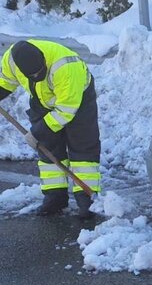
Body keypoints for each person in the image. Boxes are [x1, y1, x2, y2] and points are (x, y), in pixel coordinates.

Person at [0, 40, 101, 218]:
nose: (39, 74)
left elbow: (66, 111)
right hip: (42, 99)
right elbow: (5, 82)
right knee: (48, 148)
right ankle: (55, 197)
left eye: (41, 70)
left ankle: (87, 200)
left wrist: (36, 132)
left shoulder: (67, 67)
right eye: (34, 74)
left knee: (82, 149)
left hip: (78, 100)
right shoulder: (11, 61)